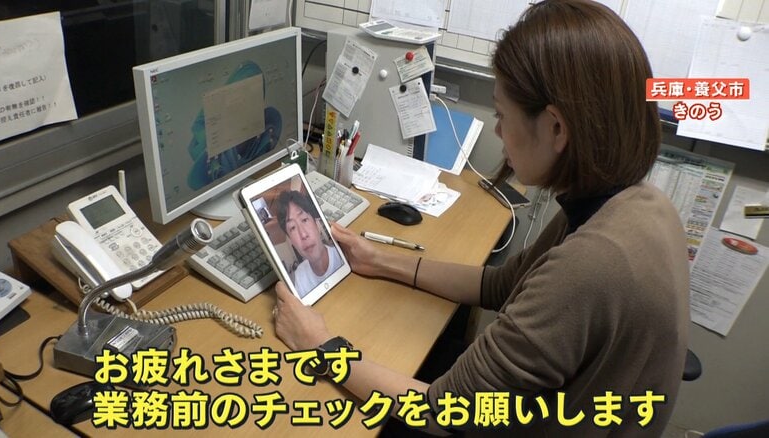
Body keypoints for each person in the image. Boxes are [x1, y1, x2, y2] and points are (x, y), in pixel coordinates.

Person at [272, 0, 690, 436]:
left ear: (556, 128)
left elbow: (442, 414)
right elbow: (503, 285)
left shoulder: (592, 263)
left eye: (503, 115)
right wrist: (378, 260)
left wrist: (320, 347)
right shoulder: (637, 202)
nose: (497, 130)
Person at [276, 189, 343, 297]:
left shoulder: (341, 255)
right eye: (292, 228)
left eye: (304, 220)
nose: (303, 234)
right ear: (291, 240)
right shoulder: (300, 276)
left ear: (317, 225)